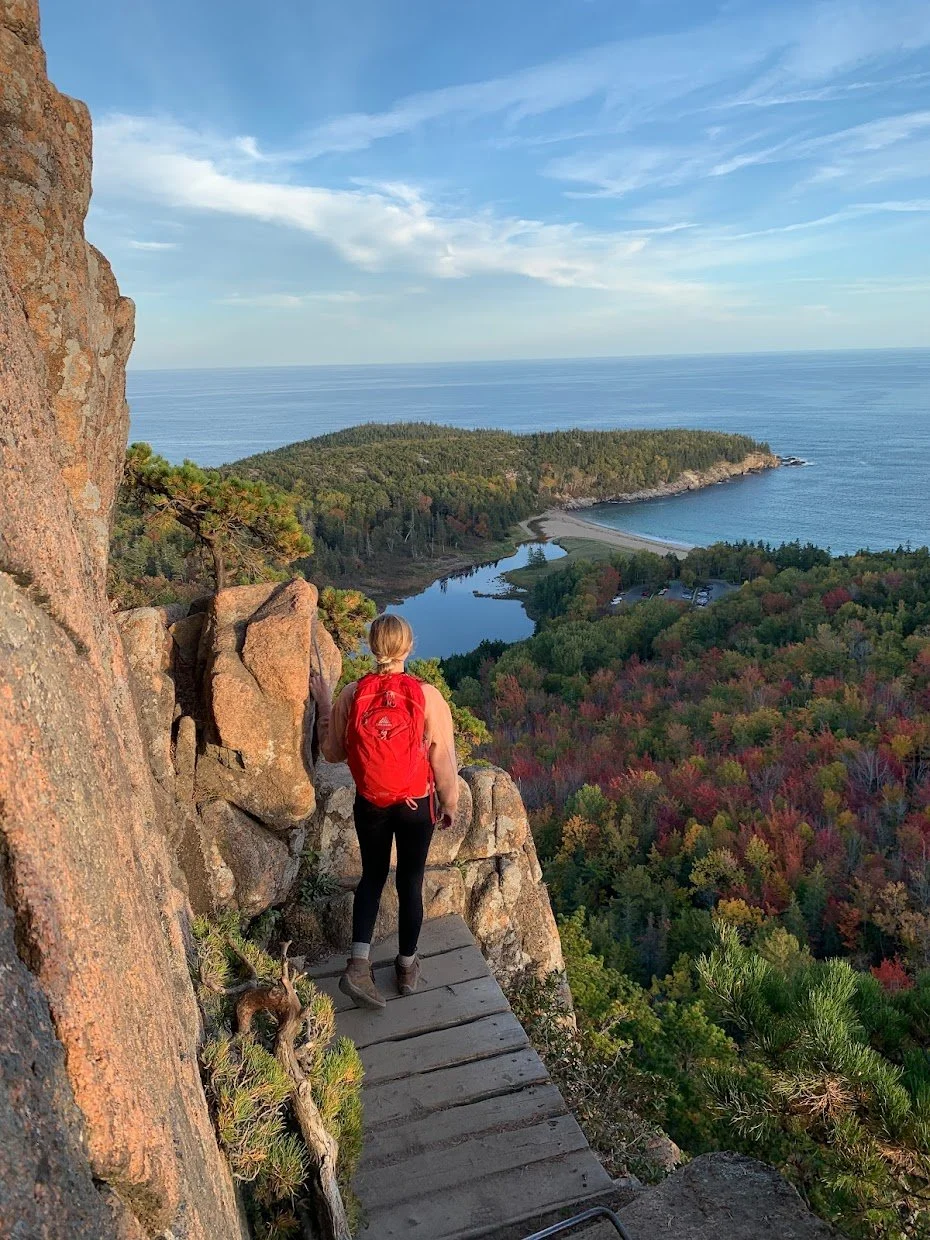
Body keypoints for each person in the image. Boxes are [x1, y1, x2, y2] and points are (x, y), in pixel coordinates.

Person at [310, 614, 459, 1010]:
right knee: (410, 883)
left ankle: (358, 964)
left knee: (372, 878)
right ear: (409, 648)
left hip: (371, 803)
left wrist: (325, 704)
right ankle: (407, 969)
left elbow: (332, 752)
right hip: (416, 805)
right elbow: (442, 758)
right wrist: (450, 802)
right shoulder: (427, 695)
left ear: (372, 647)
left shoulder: (352, 694)